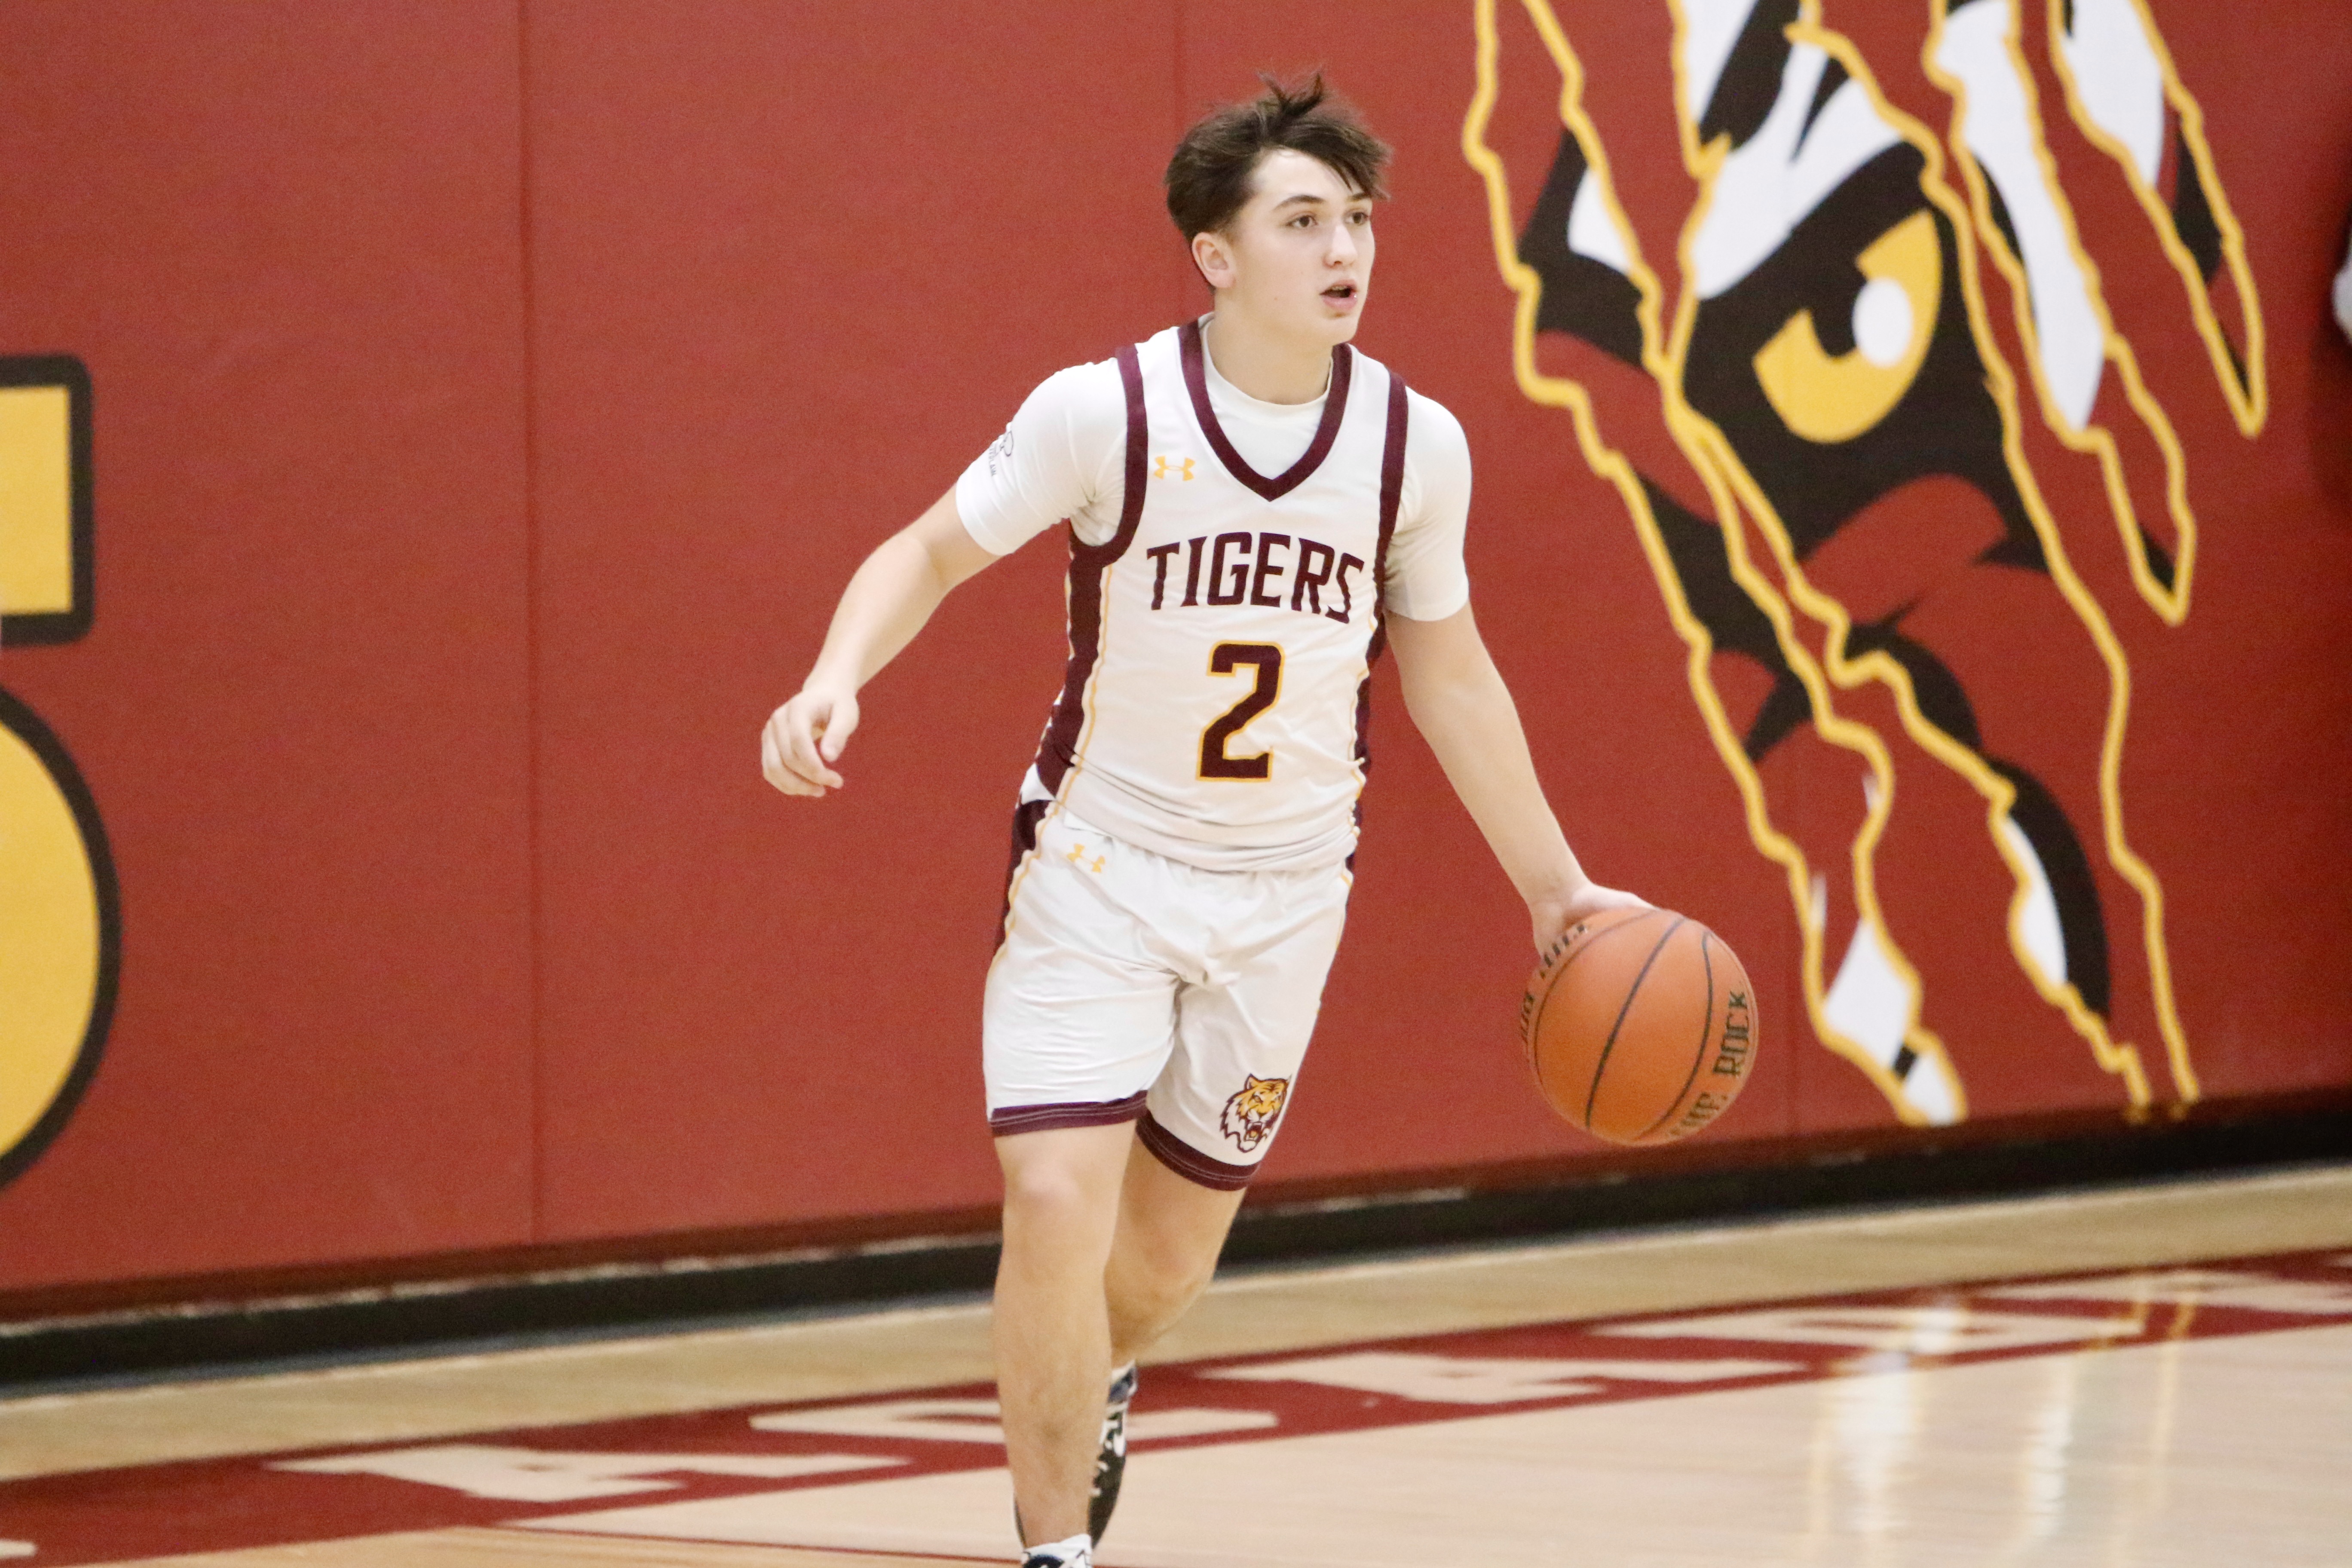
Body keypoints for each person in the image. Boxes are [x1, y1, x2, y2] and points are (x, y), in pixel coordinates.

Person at [762, 75, 1642, 1568]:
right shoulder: (1105, 410)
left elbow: (1450, 676)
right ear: (1217, 255)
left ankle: (1096, 1376)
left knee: (1155, 1273)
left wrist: (1559, 894)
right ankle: (1057, 1552)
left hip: (1288, 892)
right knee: (1052, 1200)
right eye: (1302, 221)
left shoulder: (1414, 447)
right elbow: (923, 551)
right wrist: (832, 676)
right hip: (1098, 867)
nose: (1344, 248)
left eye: (1356, 219)